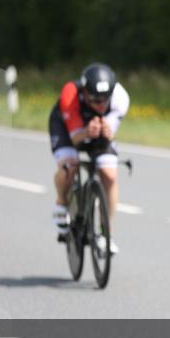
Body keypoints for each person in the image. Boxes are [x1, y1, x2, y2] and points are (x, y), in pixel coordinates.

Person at [48, 63, 130, 253]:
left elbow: (109, 133)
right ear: (84, 93)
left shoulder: (120, 97)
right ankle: (61, 203)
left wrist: (107, 131)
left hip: (97, 129)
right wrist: (86, 132)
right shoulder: (71, 95)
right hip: (67, 125)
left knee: (109, 174)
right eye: (95, 100)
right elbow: (75, 138)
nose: (101, 105)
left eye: (105, 100)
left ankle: (105, 233)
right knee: (70, 166)